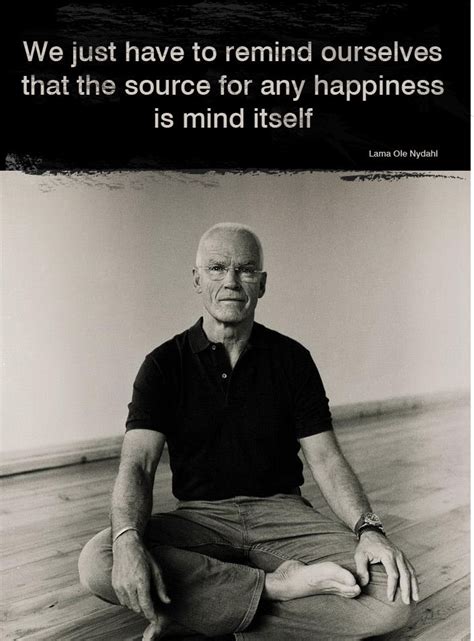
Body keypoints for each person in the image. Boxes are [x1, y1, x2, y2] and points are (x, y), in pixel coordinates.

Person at [79, 222, 418, 641]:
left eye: (245, 269)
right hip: (201, 519)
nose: (232, 281)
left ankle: (201, 615)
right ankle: (277, 587)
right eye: (217, 268)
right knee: (100, 558)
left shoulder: (293, 360)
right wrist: (129, 539)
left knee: (393, 599)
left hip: (284, 517)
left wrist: (370, 530)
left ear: (263, 283)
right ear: (197, 279)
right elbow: (138, 465)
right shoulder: (163, 365)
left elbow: (327, 460)